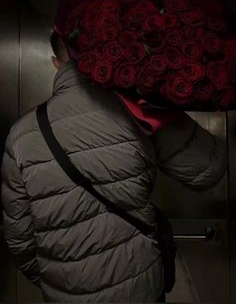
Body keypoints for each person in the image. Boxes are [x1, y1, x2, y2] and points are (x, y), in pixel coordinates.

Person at [1, 31, 226, 302]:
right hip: (139, 291)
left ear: (55, 63)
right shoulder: (139, 110)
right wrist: (159, 99)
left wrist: (59, 281)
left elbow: (19, 239)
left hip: (62, 293)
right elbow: (209, 168)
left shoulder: (21, 135)